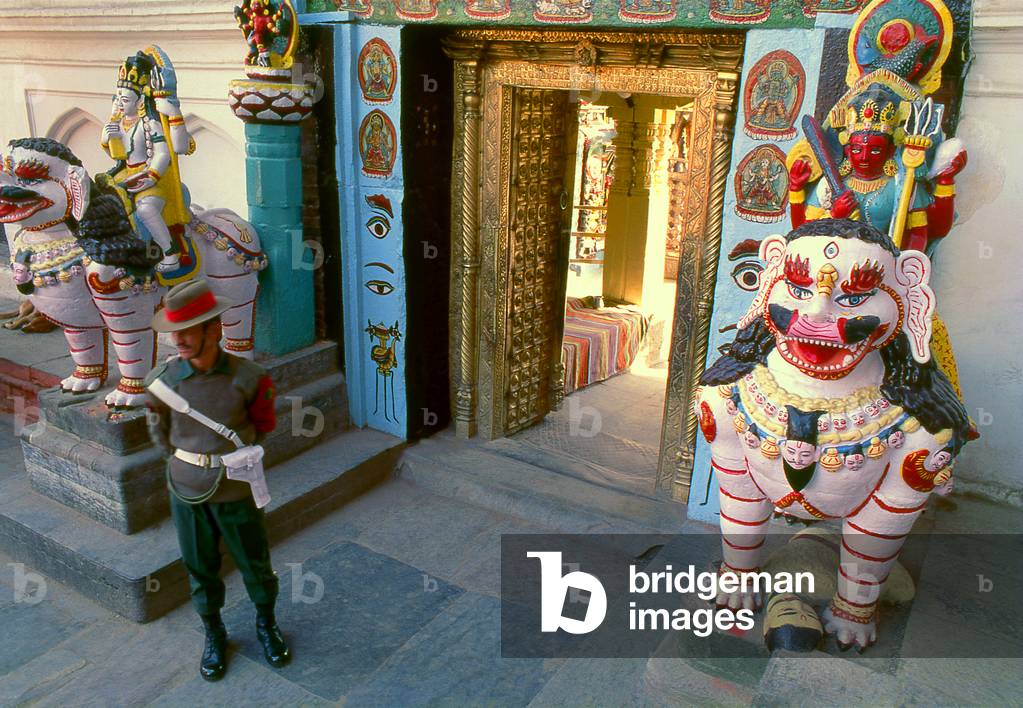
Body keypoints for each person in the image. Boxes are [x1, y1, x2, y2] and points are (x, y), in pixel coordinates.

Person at [144, 279, 290, 681]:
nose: (179, 340)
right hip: (186, 490)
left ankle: (266, 624)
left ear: (214, 329)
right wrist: (190, 464)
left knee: (255, 563)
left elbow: (263, 426)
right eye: (175, 331)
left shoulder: (250, 377)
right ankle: (214, 633)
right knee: (200, 568)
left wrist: (227, 460)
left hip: (235, 488)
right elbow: (159, 433)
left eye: (188, 329)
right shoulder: (163, 382)